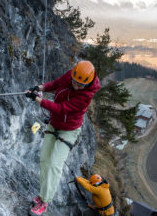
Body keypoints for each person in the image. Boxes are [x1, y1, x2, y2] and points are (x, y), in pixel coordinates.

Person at [25, 61, 101, 215]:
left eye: (81, 85)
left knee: (54, 165)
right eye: (75, 82)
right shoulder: (71, 75)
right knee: (45, 161)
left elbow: (61, 109)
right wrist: (39, 88)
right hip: (54, 124)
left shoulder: (85, 96)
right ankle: (41, 195)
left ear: (88, 84)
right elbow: (56, 83)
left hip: (69, 131)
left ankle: (45, 201)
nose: (76, 86)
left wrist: (38, 100)